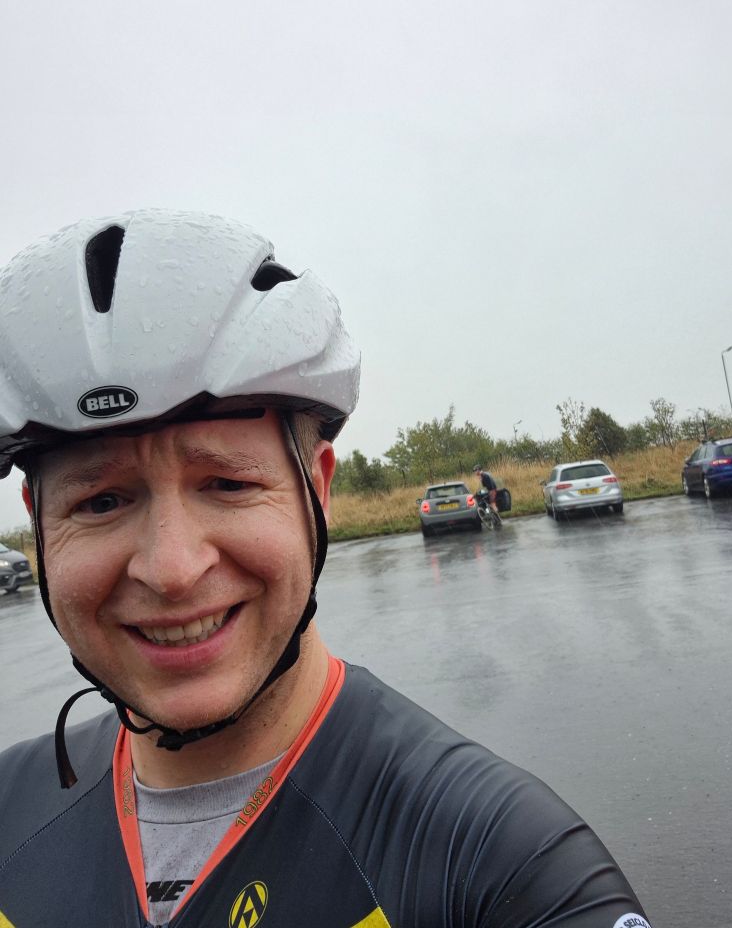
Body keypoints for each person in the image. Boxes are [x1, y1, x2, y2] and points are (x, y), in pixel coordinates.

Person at [0, 210, 651, 928]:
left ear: (320, 490)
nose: (173, 570)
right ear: (39, 523)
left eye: (228, 484)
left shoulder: (499, 866)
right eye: (101, 501)